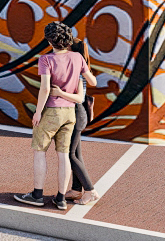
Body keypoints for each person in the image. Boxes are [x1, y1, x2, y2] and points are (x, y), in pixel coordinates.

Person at [15, 21, 87, 210]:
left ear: (49, 41)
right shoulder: (78, 58)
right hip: (70, 112)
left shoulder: (46, 59)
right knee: (63, 155)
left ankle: (37, 195)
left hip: (52, 111)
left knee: (40, 151)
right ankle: (61, 199)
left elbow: (45, 88)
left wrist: (38, 112)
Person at [65, 31, 102, 206]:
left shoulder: (75, 66)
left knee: (69, 154)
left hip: (75, 112)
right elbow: (93, 82)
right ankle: (76, 190)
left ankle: (90, 190)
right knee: (76, 153)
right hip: (80, 113)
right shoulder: (82, 65)